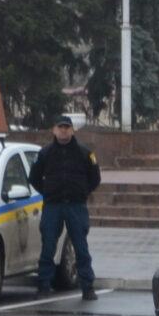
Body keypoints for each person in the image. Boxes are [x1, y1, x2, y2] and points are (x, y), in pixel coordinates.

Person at [30, 115, 100, 301]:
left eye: (67, 127)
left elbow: (95, 178)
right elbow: (34, 177)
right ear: (54, 130)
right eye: (60, 127)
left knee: (80, 247)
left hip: (76, 206)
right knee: (48, 246)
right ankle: (44, 286)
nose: (63, 130)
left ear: (72, 130)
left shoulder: (84, 153)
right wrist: (48, 192)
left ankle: (87, 287)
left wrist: (82, 192)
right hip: (53, 205)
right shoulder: (45, 153)